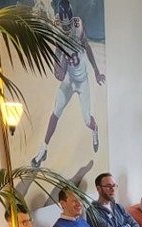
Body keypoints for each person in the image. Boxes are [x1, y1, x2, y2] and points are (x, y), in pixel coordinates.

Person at [30, 0, 105, 168]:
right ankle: (44, 148)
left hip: (82, 79)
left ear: (71, 19)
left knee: (87, 120)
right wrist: (59, 65)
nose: (65, 28)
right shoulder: (56, 26)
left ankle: (95, 129)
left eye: (67, 25)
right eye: (62, 26)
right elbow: (58, 68)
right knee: (55, 112)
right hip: (69, 79)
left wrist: (96, 71)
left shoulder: (77, 25)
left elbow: (87, 47)